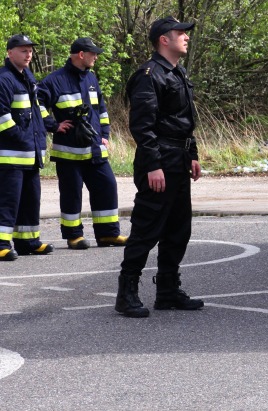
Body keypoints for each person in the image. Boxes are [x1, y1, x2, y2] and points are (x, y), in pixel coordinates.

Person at [115, 17, 203, 318]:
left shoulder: (178, 72)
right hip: (159, 160)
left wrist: (192, 154)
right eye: (180, 33)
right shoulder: (149, 75)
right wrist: (153, 165)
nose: (186, 37)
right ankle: (126, 293)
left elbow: (184, 120)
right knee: (147, 228)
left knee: (178, 229)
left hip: (178, 159)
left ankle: (167, 291)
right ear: (164, 39)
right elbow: (143, 126)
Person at [38, 37, 126, 250]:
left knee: (107, 186)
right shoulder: (54, 81)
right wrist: (53, 125)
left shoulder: (91, 78)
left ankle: (108, 234)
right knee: (72, 194)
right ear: (80, 54)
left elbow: (101, 109)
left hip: (95, 149)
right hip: (69, 153)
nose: (96, 57)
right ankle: (74, 236)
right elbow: (35, 104)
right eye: (93, 53)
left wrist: (105, 133)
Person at [0, 34, 54, 260]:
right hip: (11, 156)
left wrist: (51, 126)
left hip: (31, 155)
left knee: (30, 200)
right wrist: (23, 137)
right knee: (8, 202)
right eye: (23, 50)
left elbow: (37, 110)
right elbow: (2, 117)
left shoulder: (28, 77)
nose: (28, 54)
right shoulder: (4, 79)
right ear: (10, 53)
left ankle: (28, 241)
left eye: (30, 50)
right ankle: (1, 244)